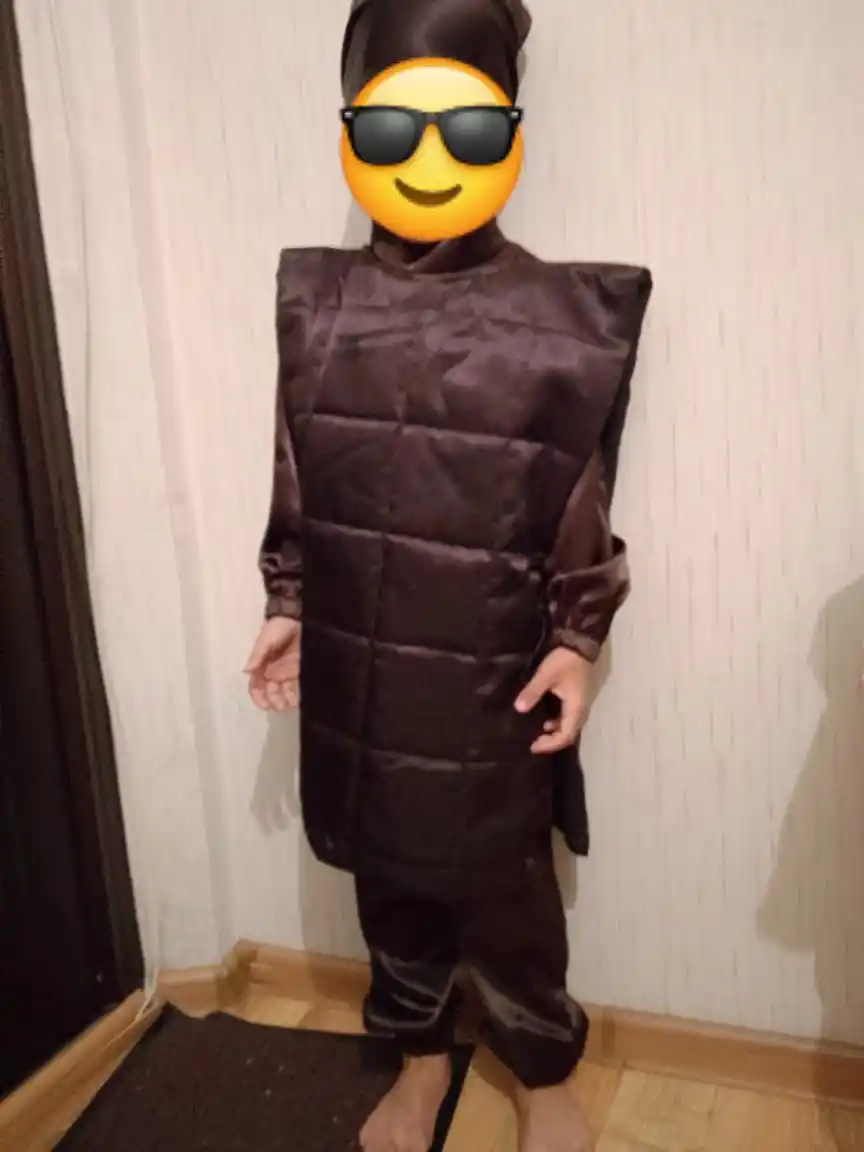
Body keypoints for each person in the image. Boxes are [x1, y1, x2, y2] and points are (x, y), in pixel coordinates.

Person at [246, 2, 652, 1149]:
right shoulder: (320, 306)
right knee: (387, 866)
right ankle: (421, 1057)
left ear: (511, 135)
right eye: (390, 131)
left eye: (467, 131)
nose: (428, 160)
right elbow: (299, 462)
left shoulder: (560, 322)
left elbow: (577, 497)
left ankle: (542, 1067)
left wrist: (578, 637)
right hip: (361, 656)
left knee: (505, 876)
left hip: (491, 656)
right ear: (349, 135)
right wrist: (290, 601)